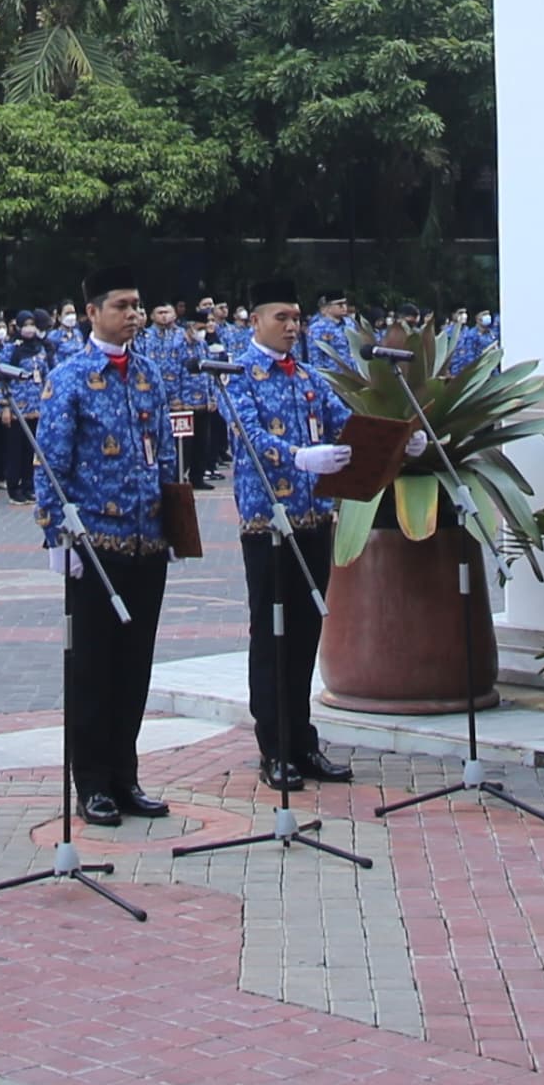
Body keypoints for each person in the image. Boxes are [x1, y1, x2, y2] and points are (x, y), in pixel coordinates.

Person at [32, 282, 179, 826]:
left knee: (135, 664)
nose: (134, 315)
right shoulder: (69, 378)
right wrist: (56, 534)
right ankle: (91, 781)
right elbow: (51, 462)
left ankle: (125, 774)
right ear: (92, 313)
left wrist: (175, 524)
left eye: (138, 305)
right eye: (121, 306)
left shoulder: (148, 375)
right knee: (93, 667)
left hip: (147, 539)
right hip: (94, 545)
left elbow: (164, 453)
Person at [216, 296, 360, 790]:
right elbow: (249, 437)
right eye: (282, 318)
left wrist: (399, 440)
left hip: (315, 517)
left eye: (297, 318)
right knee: (273, 635)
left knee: (305, 633)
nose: (293, 327)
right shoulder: (236, 374)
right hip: (269, 525)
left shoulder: (307, 377)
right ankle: (274, 747)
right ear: (254, 320)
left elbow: (347, 423)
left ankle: (303, 740)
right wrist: (300, 457)